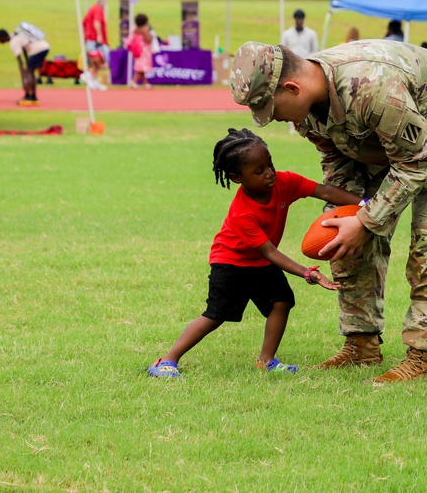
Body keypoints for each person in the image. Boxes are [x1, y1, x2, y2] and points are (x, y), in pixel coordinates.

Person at [229, 39, 427, 383]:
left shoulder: (372, 88)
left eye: (272, 108)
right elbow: (337, 156)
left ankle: (425, 359)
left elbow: (415, 165)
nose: (274, 119)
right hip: (391, 140)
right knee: (339, 230)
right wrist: (348, 215)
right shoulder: (308, 108)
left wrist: (368, 219)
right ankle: (362, 345)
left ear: (291, 88)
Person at [147, 128, 360, 378]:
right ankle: (166, 361)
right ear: (237, 178)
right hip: (231, 263)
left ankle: (267, 360)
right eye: (259, 171)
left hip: (260, 262)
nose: (269, 173)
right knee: (216, 316)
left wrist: (364, 204)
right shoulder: (243, 212)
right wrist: (308, 273)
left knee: (281, 303)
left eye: (270, 164)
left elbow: (323, 191)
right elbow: (269, 252)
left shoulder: (284, 182)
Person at [0, 24, 50, 106]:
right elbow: (25, 53)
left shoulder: (13, 42)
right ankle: (30, 96)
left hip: (38, 49)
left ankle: (31, 97)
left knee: (29, 72)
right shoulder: (14, 35)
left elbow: (20, 62)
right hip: (44, 47)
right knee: (30, 71)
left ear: (1, 38)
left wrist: (23, 79)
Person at [82, 0, 109, 90]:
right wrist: (99, 36)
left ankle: (94, 80)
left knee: (97, 60)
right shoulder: (98, 9)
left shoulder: (91, 9)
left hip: (90, 37)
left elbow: (84, 22)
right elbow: (96, 22)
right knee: (97, 59)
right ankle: (88, 75)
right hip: (94, 38)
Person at [126, 13, 158, 89]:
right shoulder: (144, 28)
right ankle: (133, 81)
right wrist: (152, 37)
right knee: (141, 68)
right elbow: (147, 39)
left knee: (141, 67)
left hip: (137, 49)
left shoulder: (135, 29)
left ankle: (145, 83)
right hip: (143, 51)